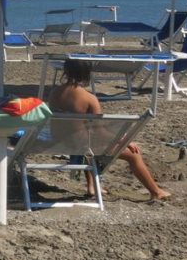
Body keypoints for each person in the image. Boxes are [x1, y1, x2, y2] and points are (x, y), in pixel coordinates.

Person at [47, 59, 171, 201]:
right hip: (81, 145)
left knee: (85, 138)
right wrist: (125, 141)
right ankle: (156, 192)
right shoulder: (89, 98)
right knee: (133, 155)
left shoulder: (54, 93)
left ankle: (92, 186)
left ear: (66, 71)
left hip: (61, 141)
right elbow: (99, 131)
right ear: (87, 73)